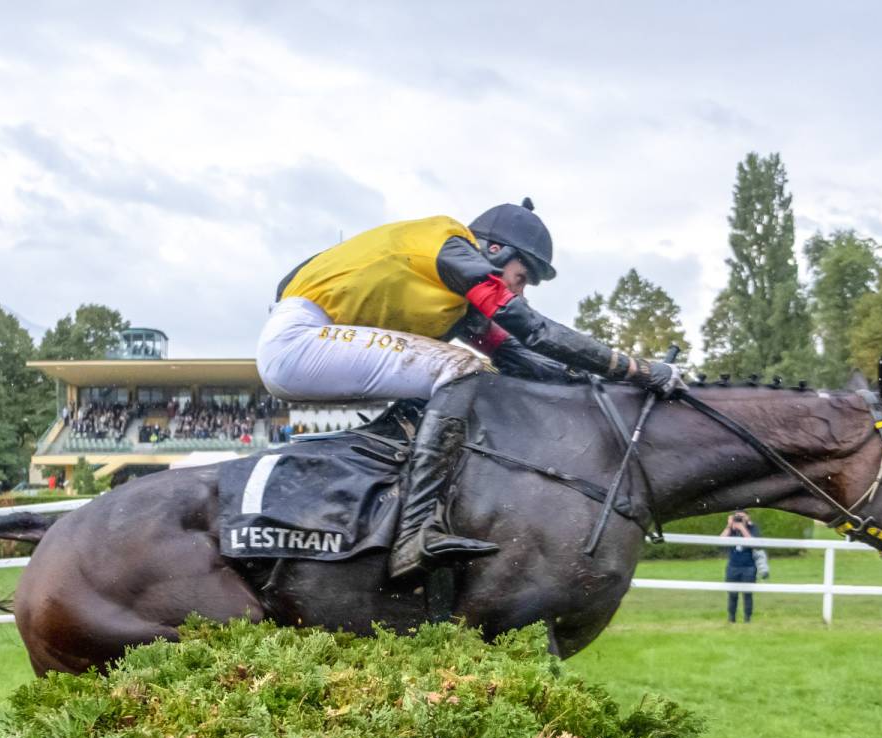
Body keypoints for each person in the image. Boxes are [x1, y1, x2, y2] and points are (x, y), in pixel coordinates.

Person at [257, 198, 685, 578]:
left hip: (317, 343)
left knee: (444, 387)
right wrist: (637, 370)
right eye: (522, 277)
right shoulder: (449, 247)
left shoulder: (455, 301)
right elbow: (533, 331)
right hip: (299, 339)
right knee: (459, 368)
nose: (519, 290)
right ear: (494, 251)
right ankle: (414, 532)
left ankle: (382, 516)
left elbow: (519, 357)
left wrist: (604, 384)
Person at [721, 510, 761, 623]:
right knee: (732, 594)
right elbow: (719, 541)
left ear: (748, 517)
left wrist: (743, 528)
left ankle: (747, 619)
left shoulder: (752, 527)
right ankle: (731, 618)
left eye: (741, 517)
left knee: (747, 594)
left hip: (749, 567)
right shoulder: (731, 529)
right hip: (733, 566)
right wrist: (729, 526)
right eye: (737, 517)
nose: (739, 519)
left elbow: (755, 544)